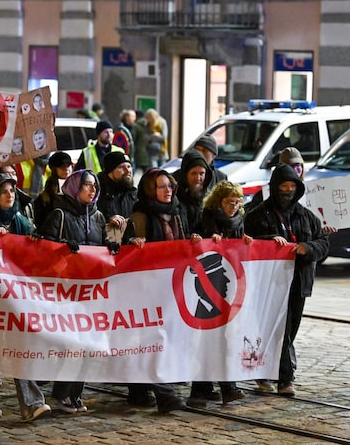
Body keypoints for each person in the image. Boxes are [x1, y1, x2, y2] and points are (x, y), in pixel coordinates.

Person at [34, 169, 120, 414]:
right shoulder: (59, 214)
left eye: (94, 186)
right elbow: (42, 247)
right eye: (87, 185)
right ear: (74, 187)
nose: (92, 190)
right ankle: (62, 393)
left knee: (86, 344)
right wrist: (61, 247)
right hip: (64, 293)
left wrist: (116, 238)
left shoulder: (99, 216)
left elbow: (110, 246)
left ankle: (75, 393)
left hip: (90, 292)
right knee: (70, 344)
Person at [244, 164, 329, 396]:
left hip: (298, 283)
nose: (288, 190)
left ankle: (273, 373)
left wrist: (307, 248)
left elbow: (323, 244)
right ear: (275, 186)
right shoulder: (257, 215)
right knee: (272, 328)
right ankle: (283, 377)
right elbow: (246, 244)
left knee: (290, 329)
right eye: (284, 185)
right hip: (267, 285)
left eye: (292, 186)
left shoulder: (307, 216)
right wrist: (270, 241)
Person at [0, 174, 52, 422]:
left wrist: (36, 240)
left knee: (21, 348)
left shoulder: (22, 222)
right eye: (4, 192)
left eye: (12, 192)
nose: (10, 196)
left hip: (18, 296)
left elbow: (35, 253)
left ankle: (32, 403)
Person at [122, 167, 198, 414]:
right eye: (161, 187)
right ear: (150, 190)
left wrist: (193, 240)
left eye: (169, 186)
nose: (167, 191)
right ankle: (165, 395)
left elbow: (182, 242)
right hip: (146, 288)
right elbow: (127, 251)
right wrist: (134, 243)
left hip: (172, 287)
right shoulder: (141, 216)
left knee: (161, 339)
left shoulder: (178, 212)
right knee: (152, 340)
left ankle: (138, 390)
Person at [186, 180, 251, 407]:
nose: (233, 207)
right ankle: (225, 387)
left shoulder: (238, 221)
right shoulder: (207, 219)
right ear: (219, 202)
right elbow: (195, 246)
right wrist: (202, 240)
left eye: (237, 202)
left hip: (227, 284)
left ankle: (202, 388)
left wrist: (245, 243)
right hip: (207, 284)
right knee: (211, 337)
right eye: (229, 202)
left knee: (220, 337)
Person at [96, 151, 138, 244]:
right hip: (105, 250)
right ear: (110, 171)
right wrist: (108, 220)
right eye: (121, 167)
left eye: (129, 166)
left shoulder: (133, 194)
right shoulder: (97, 193)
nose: (128, 171)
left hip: (128, 250)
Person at [172, 149, 214, 231]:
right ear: (185, 174)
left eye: (202, 173)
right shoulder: (173, 194)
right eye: (193, 173)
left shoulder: (209, 197)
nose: (198, 178)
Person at [33, 151, 73, 229]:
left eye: (68, 165)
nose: (66, 169)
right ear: (54, 169)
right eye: (62, 166)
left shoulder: (79, 188)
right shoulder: (45, 197)